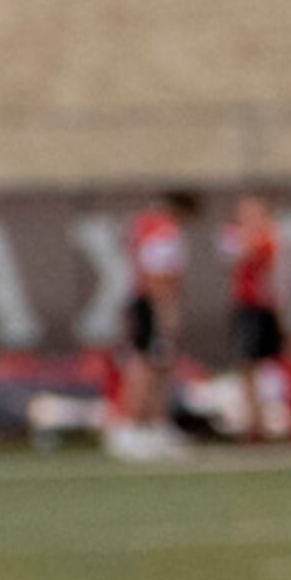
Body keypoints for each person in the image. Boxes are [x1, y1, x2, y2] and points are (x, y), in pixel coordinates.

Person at [109, 190, 195, 459]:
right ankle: (130, 425)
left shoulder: (145, 225)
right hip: (151, 304)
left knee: (159, 365)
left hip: (146, 301)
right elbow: (158, 276)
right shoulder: (163, 230)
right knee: (146, 365)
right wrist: (166, 315)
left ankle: (155, 425)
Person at [223, 194, 290, 441]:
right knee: (247, 365)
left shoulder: (269, 236)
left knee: (268, 365)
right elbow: (232, 257)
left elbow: (261, 260)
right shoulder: (238, 234)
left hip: (263, 307)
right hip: (247, 306)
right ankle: (254, 420)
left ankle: (269, 419)